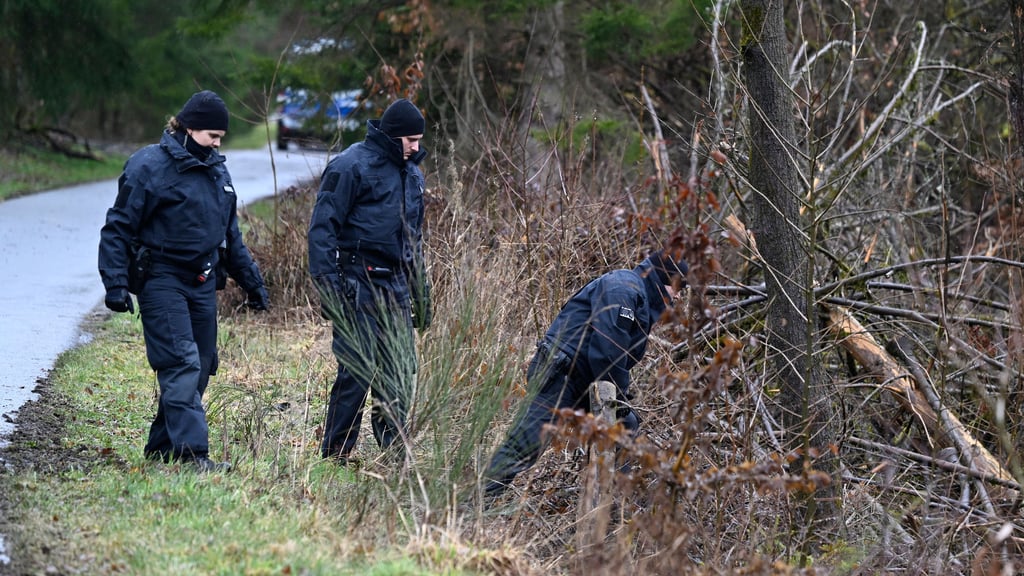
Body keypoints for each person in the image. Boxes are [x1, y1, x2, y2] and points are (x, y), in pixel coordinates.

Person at [98, 90, 270, 473]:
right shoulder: (149, 166)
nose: (217, 143)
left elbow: (230, 237)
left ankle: (161, 450)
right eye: (212, 135)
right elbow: (118, 227)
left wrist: (253, 283)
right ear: (189, 128)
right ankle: (193, 456)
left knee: (203, 365)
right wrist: (114, 283)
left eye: (221, 137)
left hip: (203, 281)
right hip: (161, 279)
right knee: (180, 363)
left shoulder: (216, 171)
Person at [482, 250, 687, 496]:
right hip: (561, 375)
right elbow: (607, 353)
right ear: (665, 280)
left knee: (625, 430)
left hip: (585, 379)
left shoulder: (637, 295)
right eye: (679, 287)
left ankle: (610, 515)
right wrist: (618, 400)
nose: (678, 295)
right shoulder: (623, 290)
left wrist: (619, 405)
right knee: (526, 445)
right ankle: (475, 505)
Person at [307, 98, 431, 464]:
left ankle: (394, 454)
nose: (416, 148)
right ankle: (335, 454)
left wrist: (421, 298)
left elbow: (414, 242)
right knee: (356, 371)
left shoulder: (413, 176)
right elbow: (321, 231)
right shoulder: (349, 166)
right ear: (393, 137)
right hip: (355, 282)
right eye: (410, 140)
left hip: (394, 287)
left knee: (398, 371)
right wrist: (330, 289)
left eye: (419, 140)